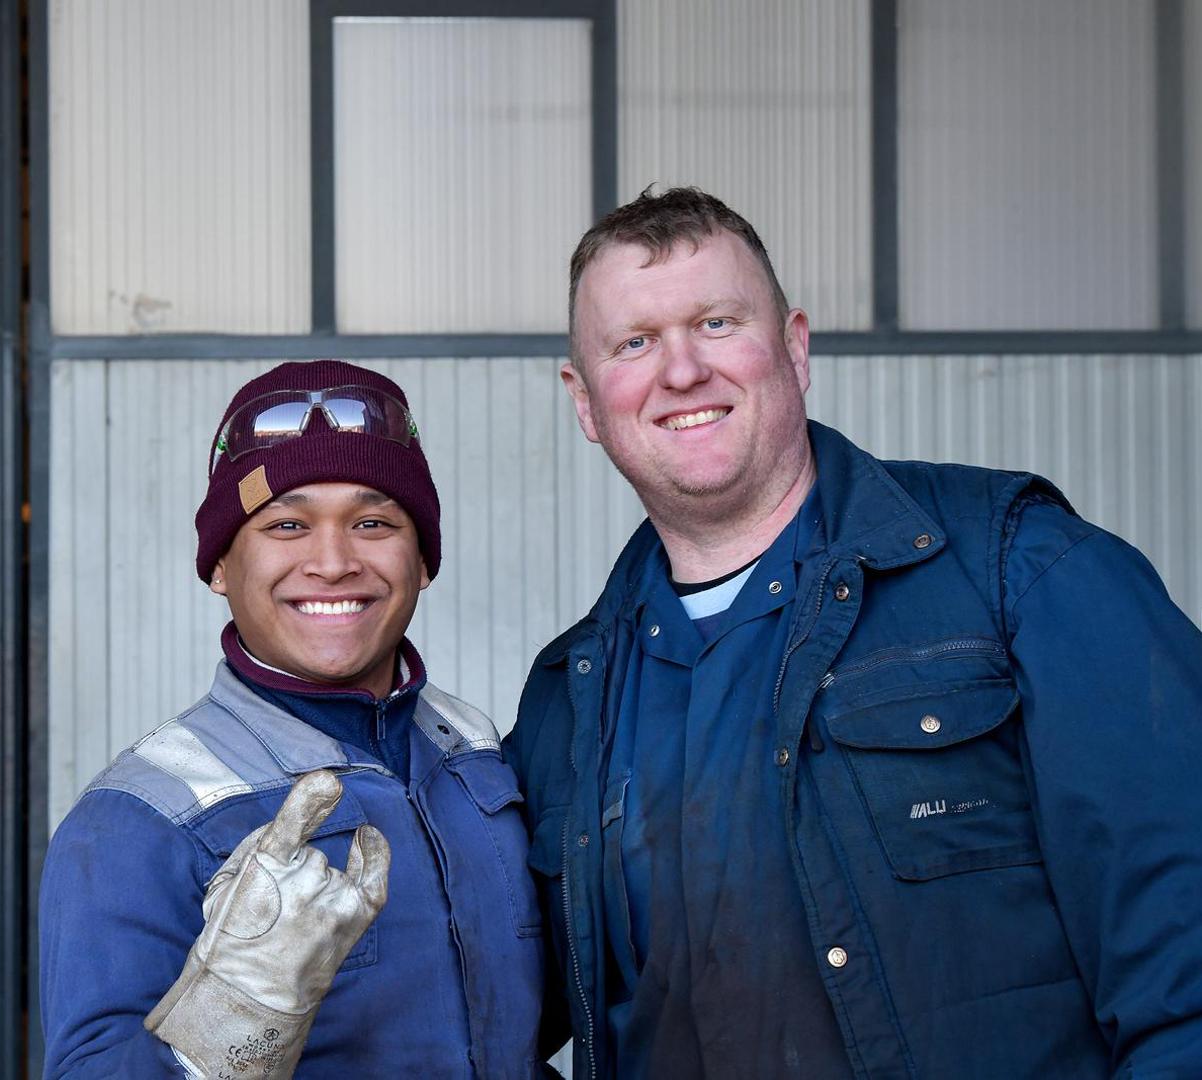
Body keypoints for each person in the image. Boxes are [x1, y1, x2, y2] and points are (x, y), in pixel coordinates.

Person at [504, 186, 1202, 1078]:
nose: (681, 371)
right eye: (634, 343)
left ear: (795, 348)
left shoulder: (1017, 572)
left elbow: (1183, 967)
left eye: (717, 323)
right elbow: (467, 1003)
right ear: (585, 402)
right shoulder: (571, 698)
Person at [39, 360, 545, 1078]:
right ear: (219, 567)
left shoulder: (474, 752)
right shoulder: (141, 817)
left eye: (373, 522)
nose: (333, 561)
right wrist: (227, 1020)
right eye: (287, 524)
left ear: (423, 559)